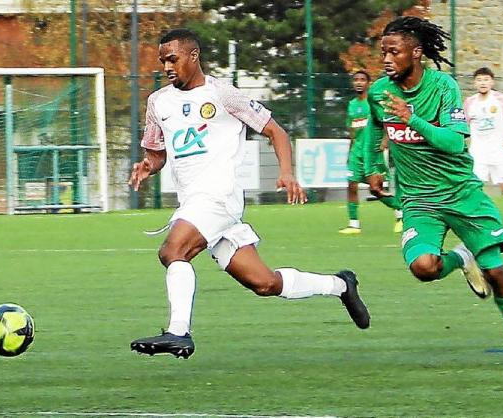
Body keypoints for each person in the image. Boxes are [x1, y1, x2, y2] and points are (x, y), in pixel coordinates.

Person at [128, 28, 370, 359]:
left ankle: (178, 332)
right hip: (197, 205)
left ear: (193, 56)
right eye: (162, 61)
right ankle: (340, 285)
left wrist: (286, 172)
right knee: (265, 283)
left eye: (173, 59)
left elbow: (276, 131)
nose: (167, 67)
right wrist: (147, 166)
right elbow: (157, 153)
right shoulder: (158, 103)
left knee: (172, 251)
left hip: (218, 198)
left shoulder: (224, 95)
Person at [367, 16, 503, 364]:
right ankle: (461, 257)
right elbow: (374, 127)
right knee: (423, 267)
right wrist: (373, 167)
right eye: (383, 52)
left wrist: (411, 118)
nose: (386, 59)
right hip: (419, 200)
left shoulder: (443, 87)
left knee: (496, 272)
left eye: (394, 52)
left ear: (416, 53)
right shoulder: (378, 92)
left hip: (461, 193)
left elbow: (455, 144)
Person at [464, 67, 503, 232]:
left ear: (492, 82)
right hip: (478, 151)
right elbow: (462, 125)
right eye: (479, 80)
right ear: (475, 83)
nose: (483, 83)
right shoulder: (470, 102)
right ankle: (479, 222)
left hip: (499, 150)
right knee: (474, 187)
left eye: (486, 79)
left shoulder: (500, 99)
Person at [339, 70, 403, 235]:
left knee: (377, 188)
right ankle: (354, 224)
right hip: (356, 152)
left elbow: (386, 122)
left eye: (362, 80)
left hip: (373, 151)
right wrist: (349, 152)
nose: (359, 82)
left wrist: (385, 140)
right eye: (356, 80)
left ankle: (400, 215)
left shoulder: (374, 102)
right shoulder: (352, 104)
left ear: (368, 83)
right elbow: (351, 131)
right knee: (351, 185)